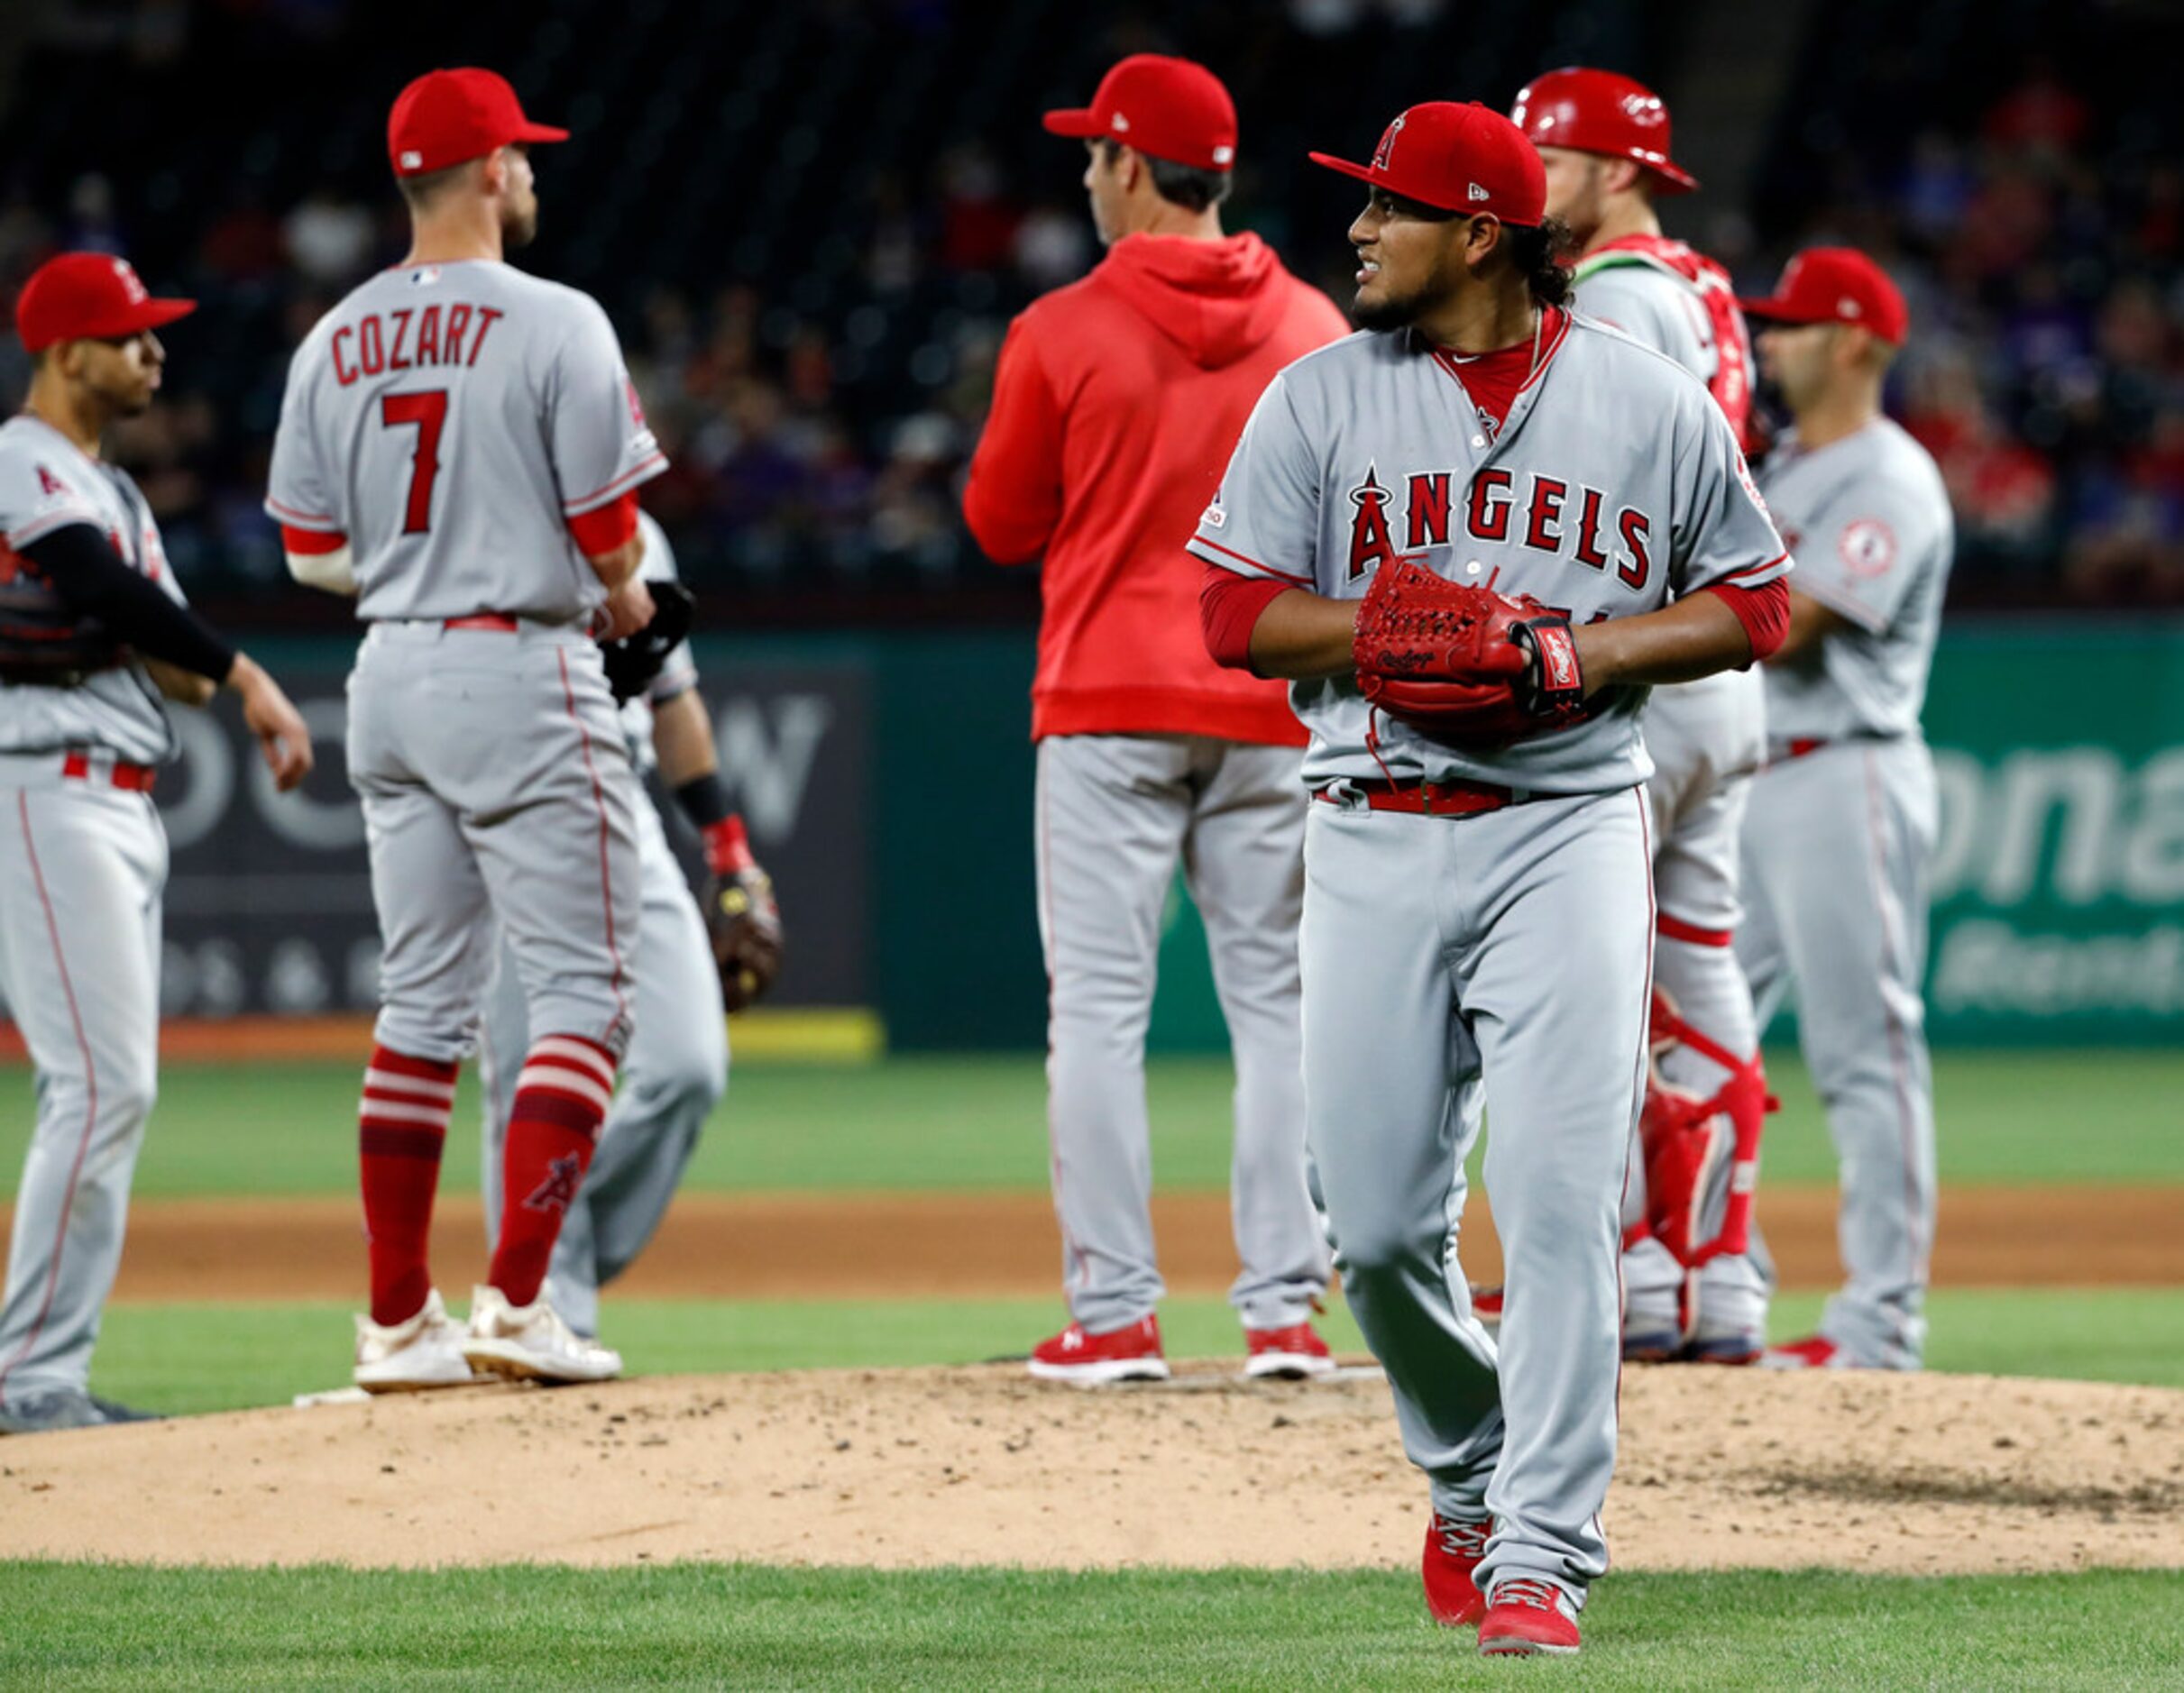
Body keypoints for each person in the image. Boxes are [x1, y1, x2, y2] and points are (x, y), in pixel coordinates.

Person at [1192, 102, 1790, 1655]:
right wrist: (1397, 626)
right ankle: (1469, 1460)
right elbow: (1230, 616)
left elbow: (1755, 602)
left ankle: (1542, 1545)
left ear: (1477, 234)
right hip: (1369, 821)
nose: (1356, 231)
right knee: (1376, 1227)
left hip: (1567, 824)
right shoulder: (1318, 396)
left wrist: (1572, 649)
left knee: (1556, 1197)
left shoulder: (1644, 399)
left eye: (1386, 208)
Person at [267, 67, 665, 1391]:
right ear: (491, 170)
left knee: (423, 1003)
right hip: (519, 662)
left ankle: (395, 1321)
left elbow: (311, 552)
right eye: (525, 157)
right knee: (588, 999)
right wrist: (618, 591)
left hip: (387, 669)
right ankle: (513, 1303)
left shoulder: (332, 337)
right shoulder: (559, 321)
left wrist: (418, 562)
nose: (534, 174)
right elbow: (612, 531)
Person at [961, 54, 1347, 1383]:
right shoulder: (1313, 328)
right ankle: (1283, 1314)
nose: (1083, 174)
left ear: (1131, 166)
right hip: (1269, 699)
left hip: (1106, 700)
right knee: (1282, 1009)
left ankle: (1116, 1313)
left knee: (1100, 1015)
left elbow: (997, 522)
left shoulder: (1061, 328)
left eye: (1092, 154)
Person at [0, 252, 312, 1433]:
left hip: (117, 796)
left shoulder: (118, 494)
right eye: (131, 336)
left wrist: (200, 662)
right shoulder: (21, 457)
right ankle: (29, 1378)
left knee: (111, 1086)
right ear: (68, 352)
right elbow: (87, 581)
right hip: (43, 785)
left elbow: (164, 655)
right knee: (97, 1081)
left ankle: (45, 1371)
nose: (156, 352)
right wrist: (248, 675)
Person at [1510, 66, 1774, 1364]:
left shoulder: (1609, 299)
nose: (1518, 176)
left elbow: (1592, 485)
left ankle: (1632, 1256)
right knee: (1695, 962)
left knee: (1597, 976)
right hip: (1720, 675)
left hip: (1646, 668)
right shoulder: (1703, 287)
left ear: (1611, 168)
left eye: (1540, 156)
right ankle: (1708, 1266)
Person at [479, 509, 778, 1344]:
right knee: (521, 1075)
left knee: (689, 1066)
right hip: (505, 797)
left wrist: (731, 857)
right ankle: (543, 1308)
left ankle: (534, 1261)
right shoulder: (481, 510)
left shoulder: (633, 526)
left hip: (620, 795)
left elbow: (673, 699)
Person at [1735, 250, 1953, 1370]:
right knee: (1699, 1034)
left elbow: (1795, 619)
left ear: (1857, 339)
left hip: (1843, 772)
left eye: (1792, 325)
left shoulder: (1889, 476)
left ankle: (1880, 1323)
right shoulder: (1782, 466)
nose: (1767, 341)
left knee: (1862, 1048)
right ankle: (1719, 1289)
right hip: (1750, 778)